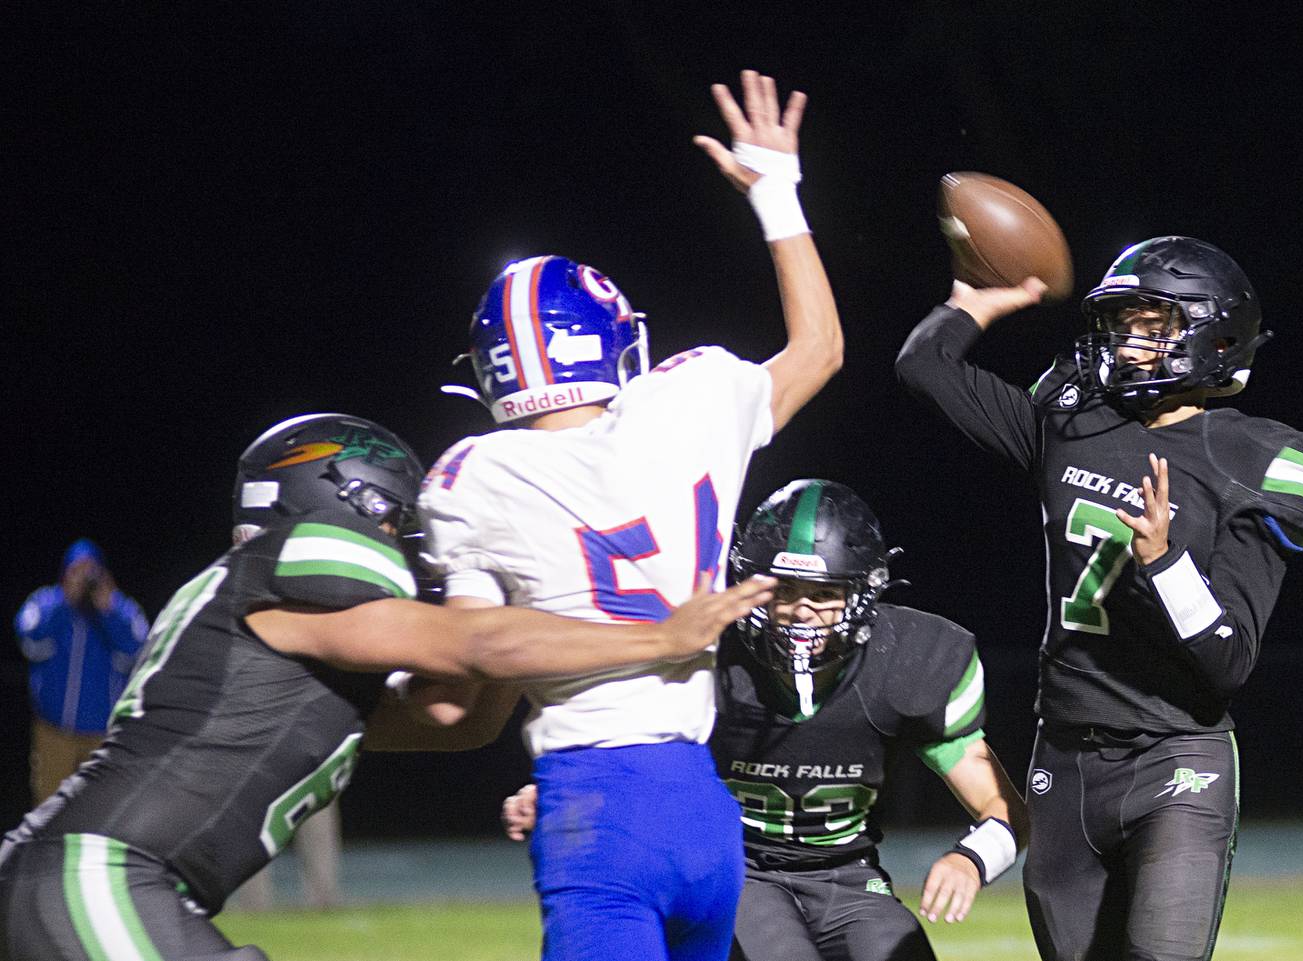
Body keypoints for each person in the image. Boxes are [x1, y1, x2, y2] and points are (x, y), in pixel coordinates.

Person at [0, 413, 772, 961]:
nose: (408, 542)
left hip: (84, 879)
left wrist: (507, 583)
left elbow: (452, 715)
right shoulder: (294, 563)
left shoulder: (276, 646)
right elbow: (471, 643)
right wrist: (660, 637)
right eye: (397, 520)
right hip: (95, 877)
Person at [419, 70, 842, 961]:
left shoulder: (475, 472)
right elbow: (821, 348)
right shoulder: (687, 400)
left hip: (596, 802)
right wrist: (776, 195)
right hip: (703, 806)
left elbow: (465, 692)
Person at [895, 236, 1303, 961]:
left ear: (1213, 334)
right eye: (1123, 320)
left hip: (1176, 755)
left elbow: (1227, 662)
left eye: (1153, 323)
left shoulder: (1255, 459)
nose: (1130, 339)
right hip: (1064, 759)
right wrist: (971, 302)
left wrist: (1165, 564)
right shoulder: (1074, 423)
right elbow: (924, 367)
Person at [504, 479, 1030, 961]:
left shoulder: (914, 658)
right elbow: (628, 738)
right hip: (736, 872)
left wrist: (972, 858)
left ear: (862, 595)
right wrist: (565, 790)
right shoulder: (706, 654)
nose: (802, 610)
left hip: (848, 877)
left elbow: (1005, 808)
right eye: (783, 592)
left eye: (823, 594)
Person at [14, 539, 149, 805]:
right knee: (47, 810)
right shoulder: (46, 602)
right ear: (65, 573)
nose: (85, 579)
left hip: (102, 738)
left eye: (91, 571)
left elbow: (137, 652)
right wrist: (66, 601)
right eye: (78, 570)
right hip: (54, 732)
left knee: (98, 811)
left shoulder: (121, 608)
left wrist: (109, 611)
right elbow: (30, 642)